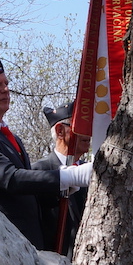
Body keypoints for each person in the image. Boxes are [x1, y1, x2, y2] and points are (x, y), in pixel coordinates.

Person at [0, 50, 90, 251]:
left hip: (23, 243)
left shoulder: (10, 137)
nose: (5, 90)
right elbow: (10, 179)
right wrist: (65, 177)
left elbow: (29, 196)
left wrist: (61, 190)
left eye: (6, 84)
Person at [32, 105, 87, 255]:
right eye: (80, 126)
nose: (88, 133)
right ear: (60, 131)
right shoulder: (39, 171)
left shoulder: (90, 174)